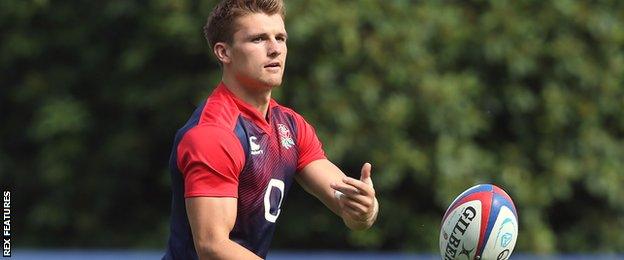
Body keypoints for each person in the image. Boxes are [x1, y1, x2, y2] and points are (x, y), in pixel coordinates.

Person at [163, 0, 379, 259]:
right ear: (224, 52)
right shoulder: (213, 134)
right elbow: (212, 246)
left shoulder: (291, 127)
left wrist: (365, 209)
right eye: (258, 39)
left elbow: (348, 209)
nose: (275, 49)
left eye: (280, 38)